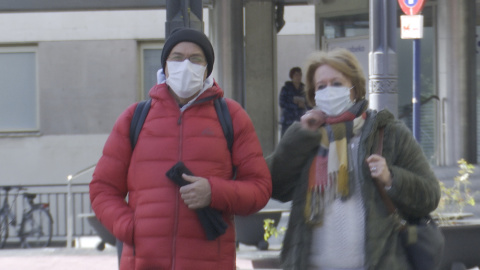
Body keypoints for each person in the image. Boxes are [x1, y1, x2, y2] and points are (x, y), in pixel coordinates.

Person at [89, 28, 272, 270]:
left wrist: (214, 191)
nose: (186, 64)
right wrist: (130, 227)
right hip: (144, 263)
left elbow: (259, 188)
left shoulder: (232, 116)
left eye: (196, 58)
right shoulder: (134, 118)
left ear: (207, 68)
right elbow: (102, 189)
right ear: (165, 66)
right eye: (177, 57)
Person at [267, 48, 440, 270]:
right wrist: (299, 136)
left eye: (337, 83)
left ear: (354, 88)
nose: (329, 91)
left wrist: (391, 179)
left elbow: (430, 195)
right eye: (321, 86)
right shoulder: (308, 137)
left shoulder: (388, 133)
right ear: (313, 95)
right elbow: (275, 186)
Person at [279, 67, 309, 136]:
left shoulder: (304, 89)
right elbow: (282, 103)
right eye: (296, 75)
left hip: (300, 120)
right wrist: (296, 105)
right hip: (288, 121)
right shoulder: (286, 89)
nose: (298, 77)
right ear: (292, 76)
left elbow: (309, 104)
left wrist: (304, 105)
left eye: (300, 75)